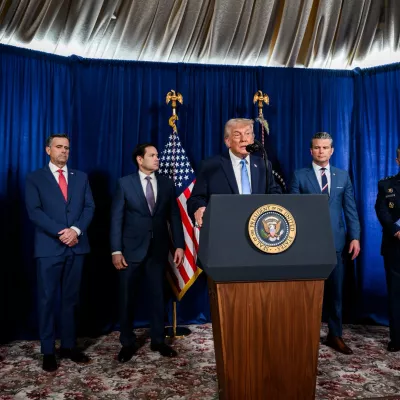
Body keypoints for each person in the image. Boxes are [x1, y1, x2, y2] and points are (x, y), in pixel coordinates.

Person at [25, 134, 95, 372]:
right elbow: (34, 211)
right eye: (58, 147)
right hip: (48, 249)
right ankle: (48, 351)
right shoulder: (35, 178)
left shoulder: (81, 177)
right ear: (48, 150)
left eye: (67, 148)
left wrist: (76, 230)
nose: (64, 151)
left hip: (77, 246)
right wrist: (61, 232)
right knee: (46, 300)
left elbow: (89, 207)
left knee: (71, 300)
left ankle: (68, 346)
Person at [111, 143, 184, 362]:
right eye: (152, 155)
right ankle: (127, 343)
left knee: (157, 296)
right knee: (126, 298)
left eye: (157, 155)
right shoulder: (125, 183)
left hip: (158, 250)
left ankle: (158, 341)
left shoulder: (166, 183)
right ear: (139, 159)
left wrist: (179, 245)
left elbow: (174, 215)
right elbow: (116, 219)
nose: (157, 158)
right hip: (130, 251)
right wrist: (116, 250)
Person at [290, 132, 361, 355]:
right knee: (307, 292)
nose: (321, 151)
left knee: (336, 292)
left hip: (336, 242)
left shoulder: (342, 176)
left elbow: (350, 208)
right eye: (317, 147)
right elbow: (292, 211)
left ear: (332, 151)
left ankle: (335, 334)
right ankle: (304, 334)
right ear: (311, 151)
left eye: (325, 147)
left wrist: (355, 237)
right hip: (307, 244)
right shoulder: (299, 176)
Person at [187, 118, 281, 226]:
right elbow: (196, 199)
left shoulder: (263, 165)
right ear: (228, 141)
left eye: (248, 134)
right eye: (237, 135)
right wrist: (199, 208)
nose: (243, 139)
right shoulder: (210, 166)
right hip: (224, 226)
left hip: (257, 228)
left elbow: (275, 193)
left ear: (253, 139)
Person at [375, 146, 400, 352]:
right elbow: (381, 210)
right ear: (398, 161)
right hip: (395, 246)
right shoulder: (386, 185)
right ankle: (397, 338)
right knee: (396, 293)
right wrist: (396, 230)